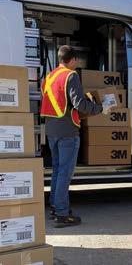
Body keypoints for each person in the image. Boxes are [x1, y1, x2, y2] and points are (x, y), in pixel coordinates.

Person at [40, 45, 103, 228]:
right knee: (65, 173)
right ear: (73, 59)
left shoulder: (49, 77)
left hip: (51, 130)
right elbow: (79, 104)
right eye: (76, 60)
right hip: (68, 131)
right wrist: (99, 109)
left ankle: (54, 207)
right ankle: (61, 214)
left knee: (58, 170)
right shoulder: (71, 75)